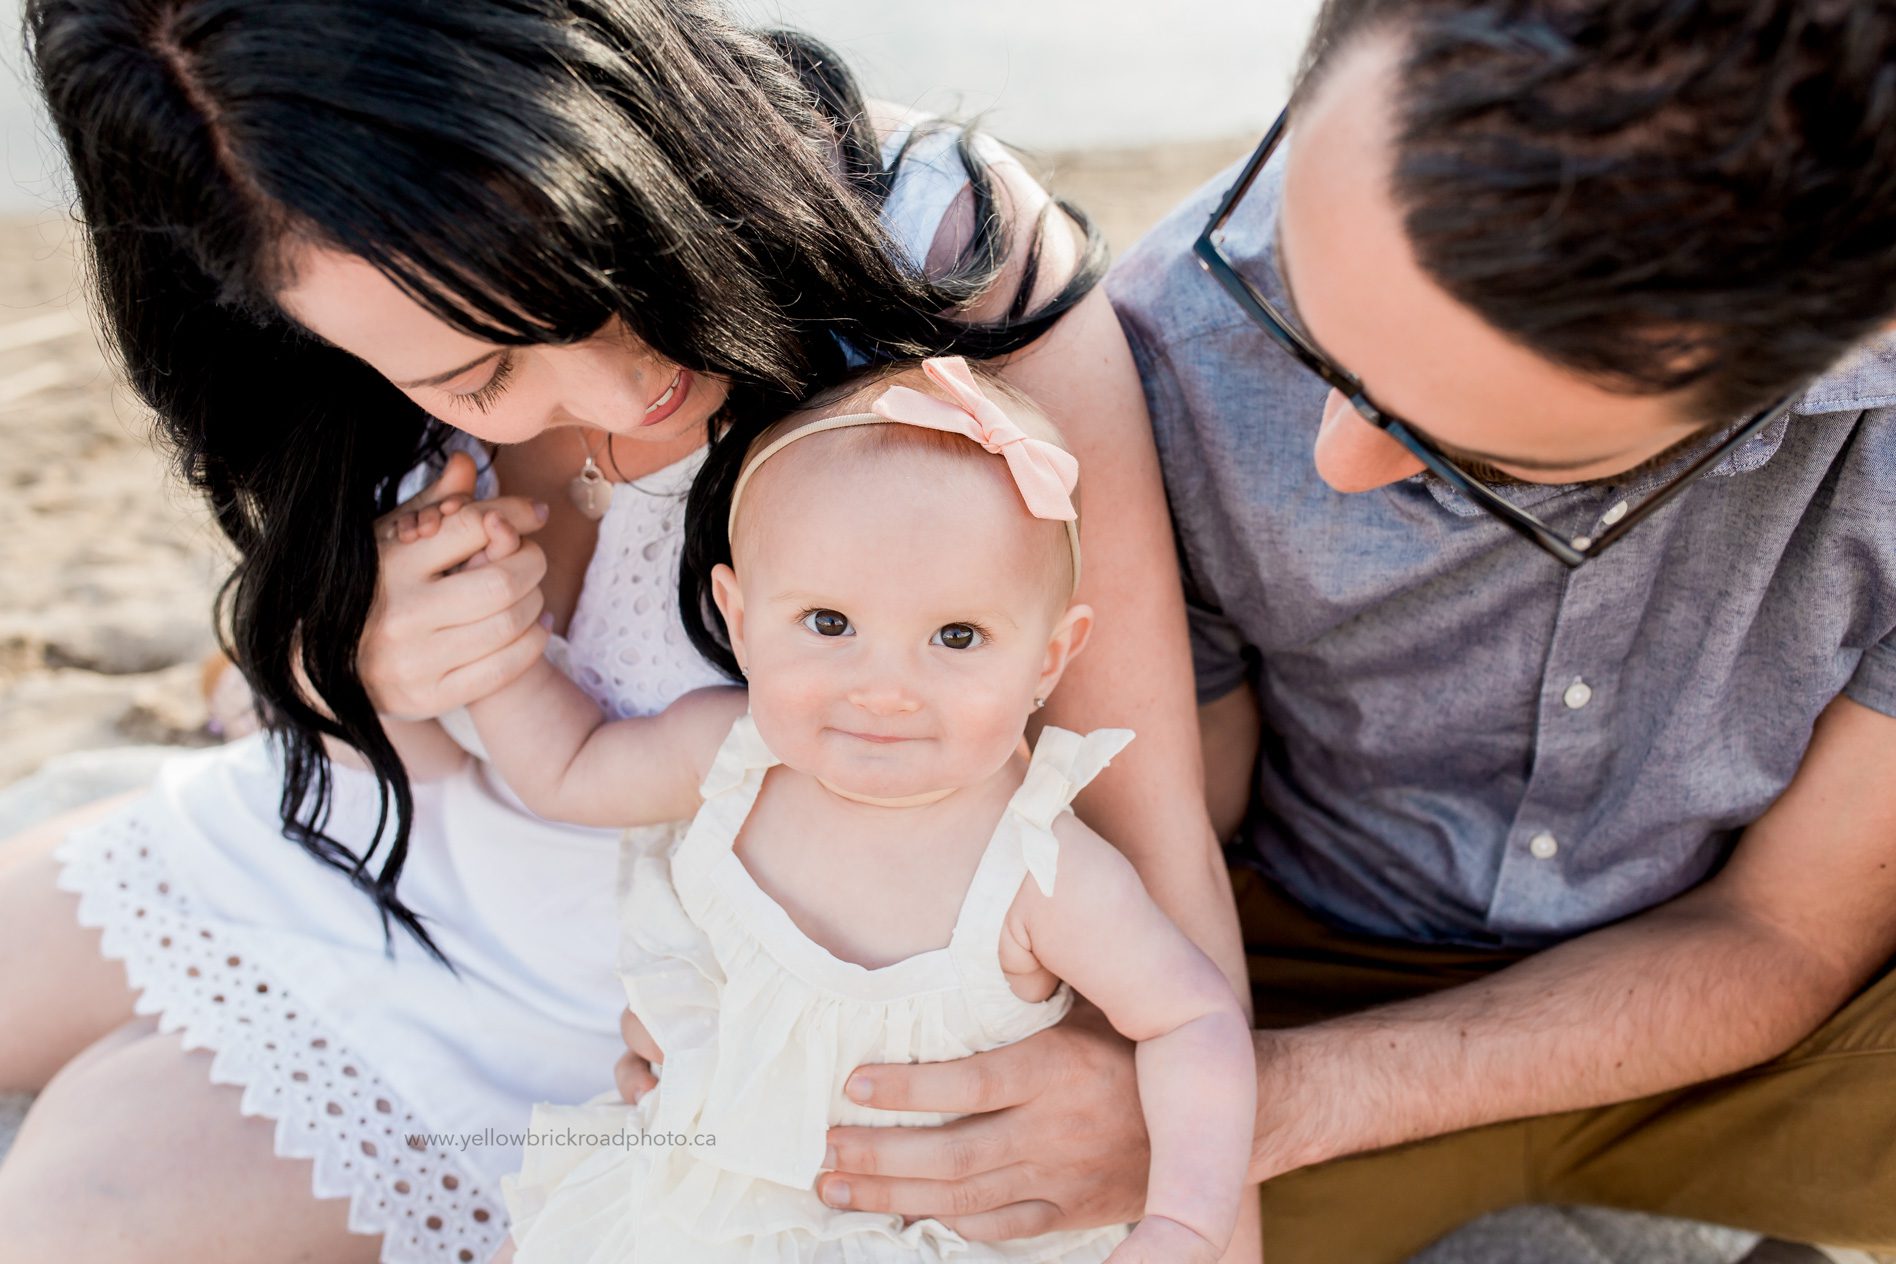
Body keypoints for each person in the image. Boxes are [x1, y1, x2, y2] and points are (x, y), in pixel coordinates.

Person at [0, 3, 1246, 1262]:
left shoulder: (940, 241)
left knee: (66, 1212)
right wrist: (363, 655)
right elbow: (339, 657)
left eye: (601, 276)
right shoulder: (294, 276)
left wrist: (1203, 1205)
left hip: (642, 1002)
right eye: (476, 381)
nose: (615, 392)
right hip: (395, 825)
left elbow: (1148, 823)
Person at [805, 0, 1896, 1259]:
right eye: (1308, 327)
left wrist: (1258, 1114)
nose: (1330, 455)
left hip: (1765, 999)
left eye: (1480, 456)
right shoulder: (1174, 330)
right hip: (1295, 959)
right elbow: (1167, 822)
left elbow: (1785, 934)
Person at [461, 357, 1253, 1264]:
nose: (885, 690)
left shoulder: (1037, 871)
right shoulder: (732, 759)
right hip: (694, 1206)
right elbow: (567, 767)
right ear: (741, 619)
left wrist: (1186, 1221)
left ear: (1048, 660)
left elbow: (1190, 1020)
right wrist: (487, 635)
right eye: (830, 624)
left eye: (957, 637)